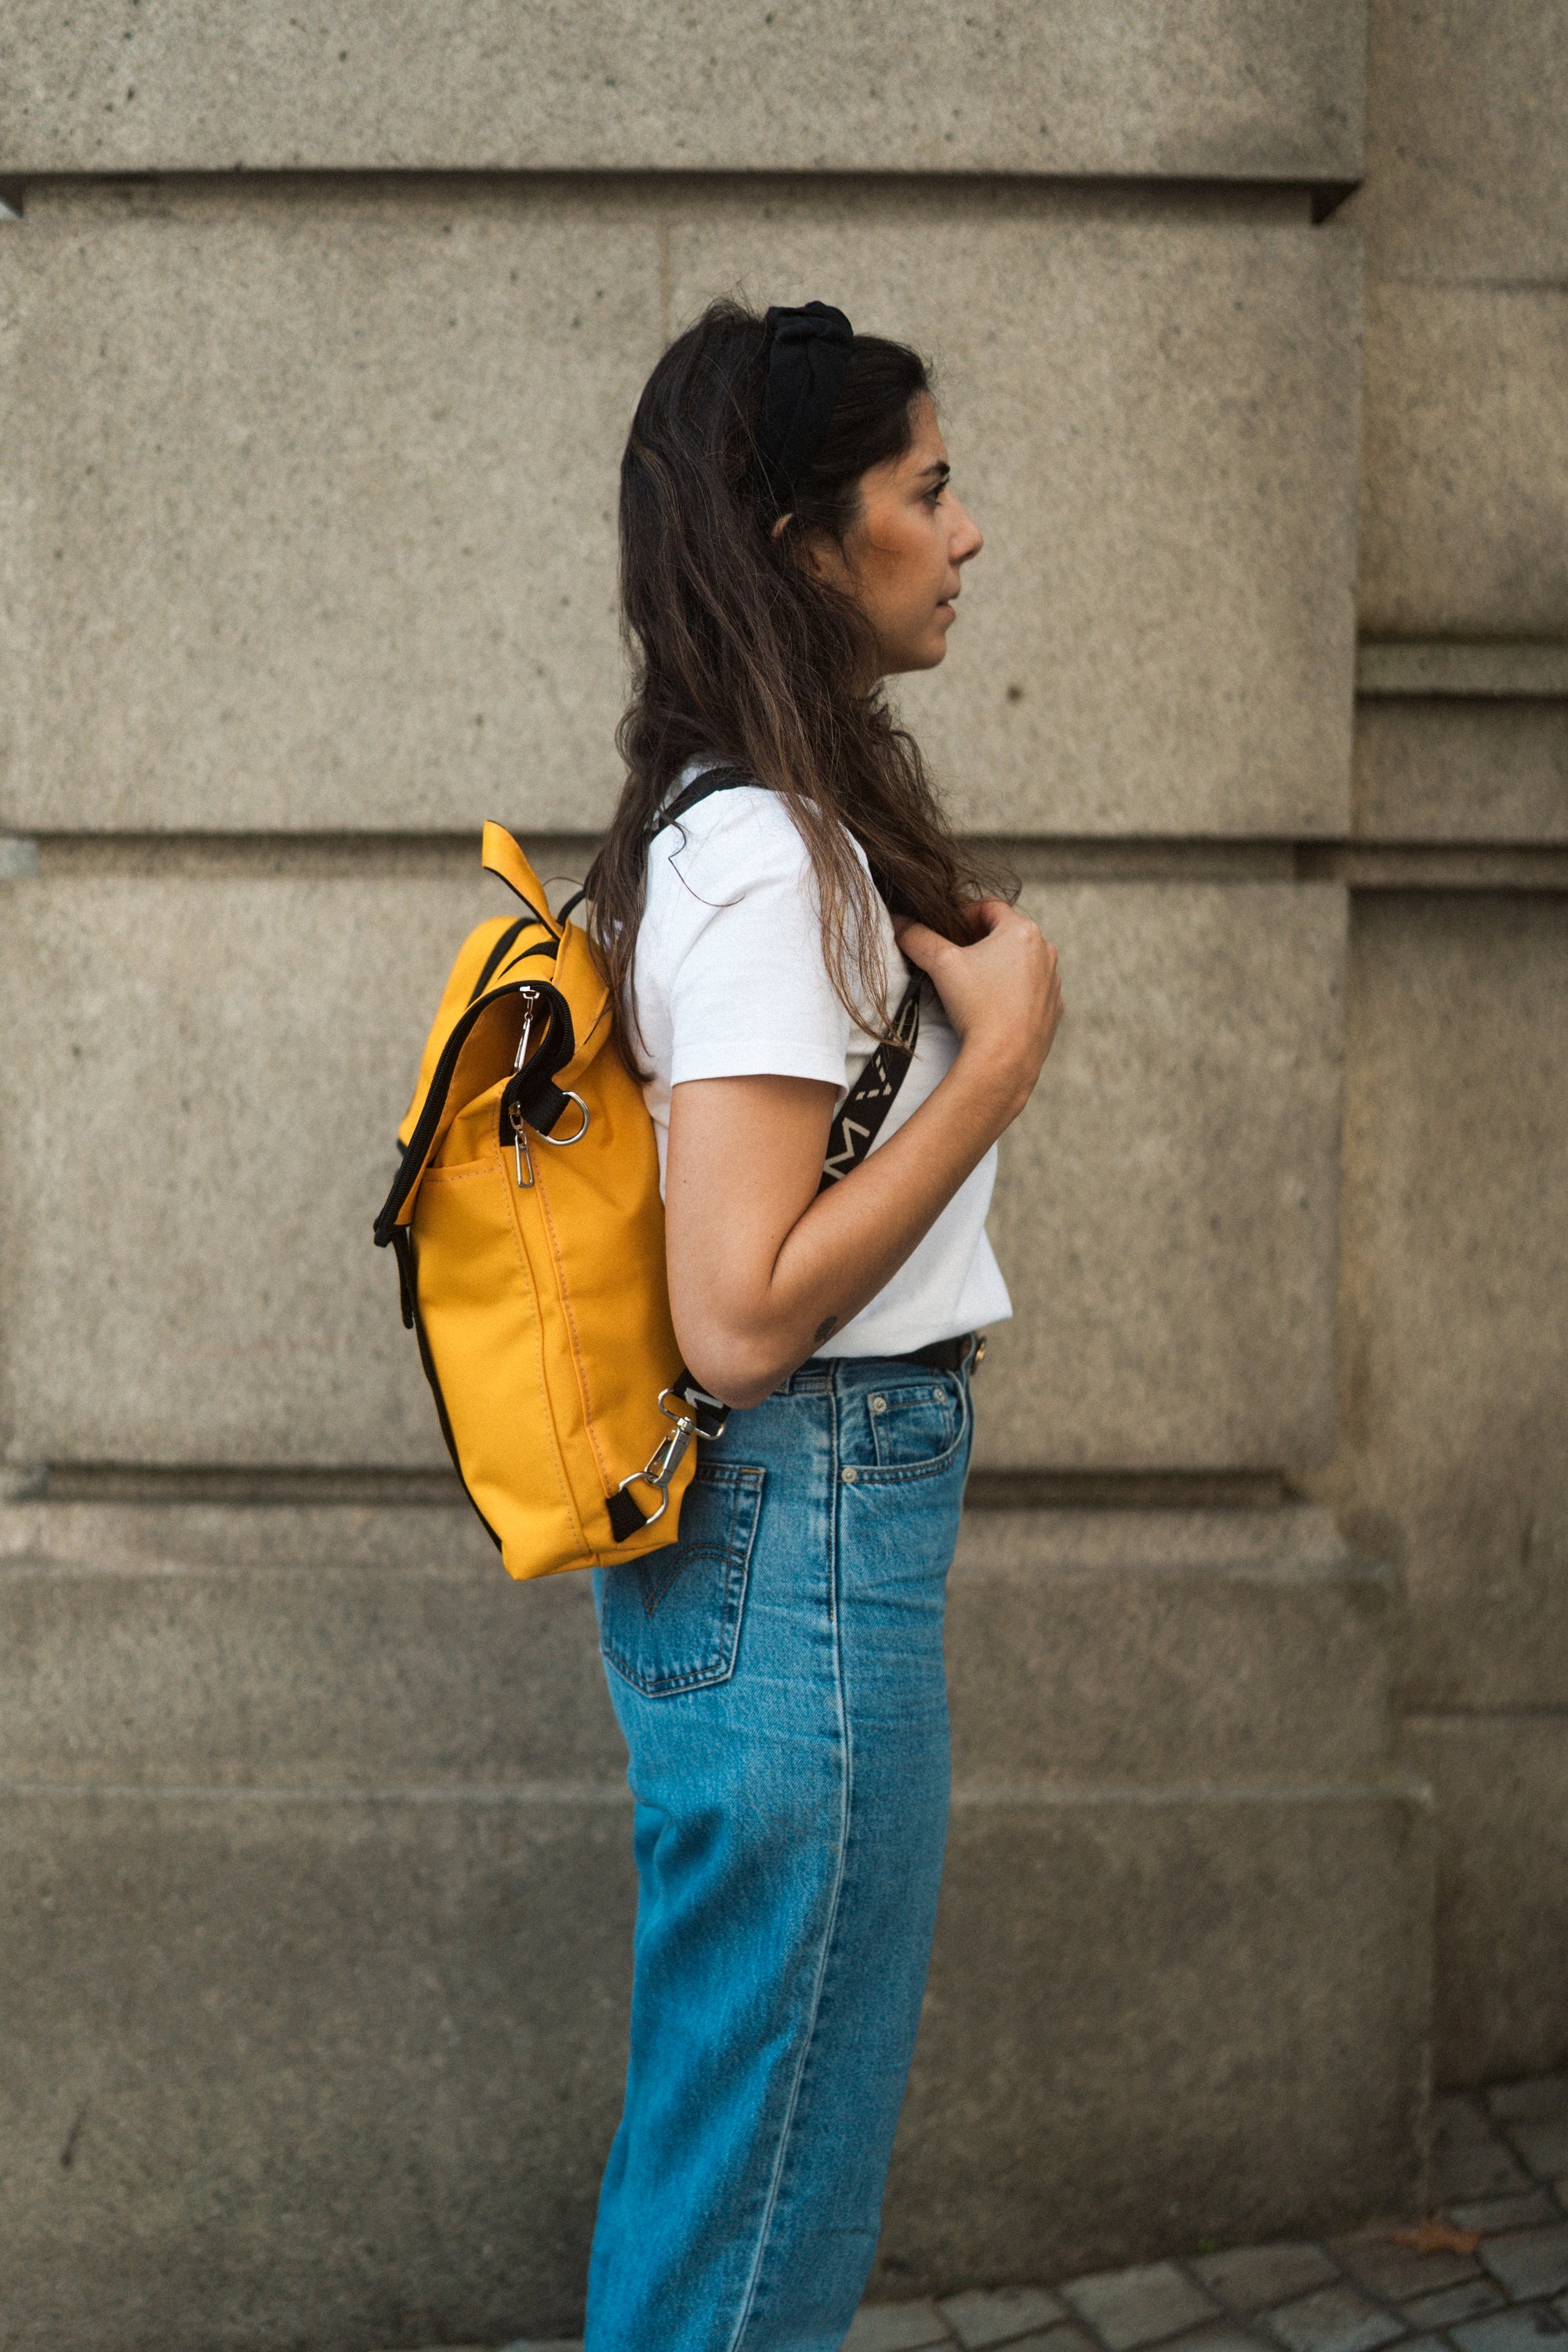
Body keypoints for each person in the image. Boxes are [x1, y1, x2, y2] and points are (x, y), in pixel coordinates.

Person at [582, 297, 1062, 2352]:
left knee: (733, 2170)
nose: (967, 537)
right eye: (928, 491)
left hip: (796, 1541)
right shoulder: (759, 858)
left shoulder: (756, 823)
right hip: (815, 1524)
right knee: (761, 2220)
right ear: (803, 535)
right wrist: (1000, 1057)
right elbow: (741, 1317)